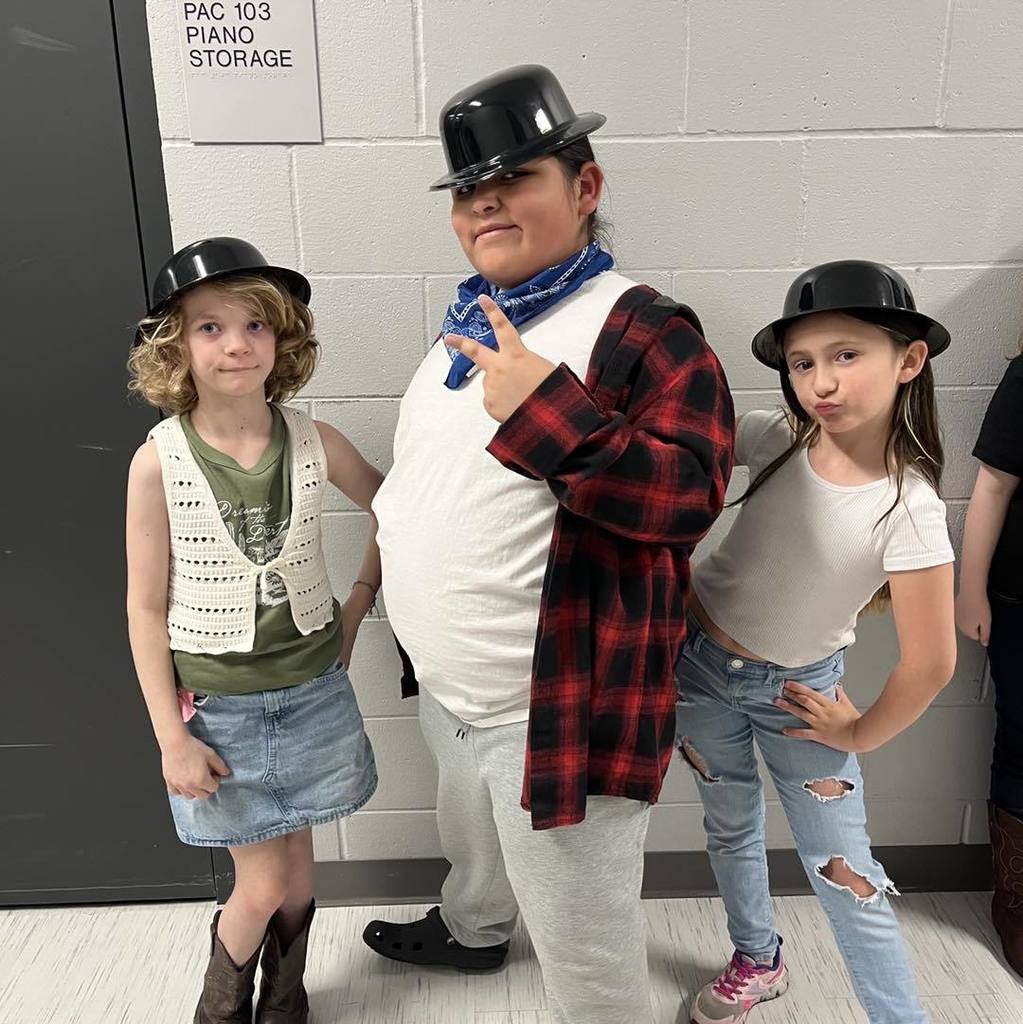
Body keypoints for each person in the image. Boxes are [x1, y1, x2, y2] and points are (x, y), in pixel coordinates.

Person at [362, 65, 734, 1024]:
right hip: (455, 688)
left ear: (586, 187)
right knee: (473, 843)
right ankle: (475, 931)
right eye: (466, 189)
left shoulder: (645, 330)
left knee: (586, 952)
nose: (484, 200)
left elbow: (687, 496)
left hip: (553, 710)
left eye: (516, 176)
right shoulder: (466, 325)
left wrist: (549, 414)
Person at [678, 261, 956, 1024]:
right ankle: (757, 958)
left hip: (796, 696)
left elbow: (931, 661)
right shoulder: (773, 439)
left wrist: (859, 730)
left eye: (844, 355)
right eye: (802, 363)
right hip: (696, 671)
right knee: (728, 827)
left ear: (907, 360)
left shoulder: (908, 505)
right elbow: (672, 454)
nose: (819, 383)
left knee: (843, 873)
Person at [126, 237, 380, 1024]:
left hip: (311, 696)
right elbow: (141, 606)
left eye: (254, 326)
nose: (235, 344)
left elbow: (400, 512)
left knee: (300, 873)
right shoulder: (157, 462)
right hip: (223, 709)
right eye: (209, 327)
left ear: (282, 339)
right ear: (177, 344)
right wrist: (171, 736)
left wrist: (357, 604)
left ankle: (285, 1001)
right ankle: (220, 1010)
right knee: (262, 882)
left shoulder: (314, 441)